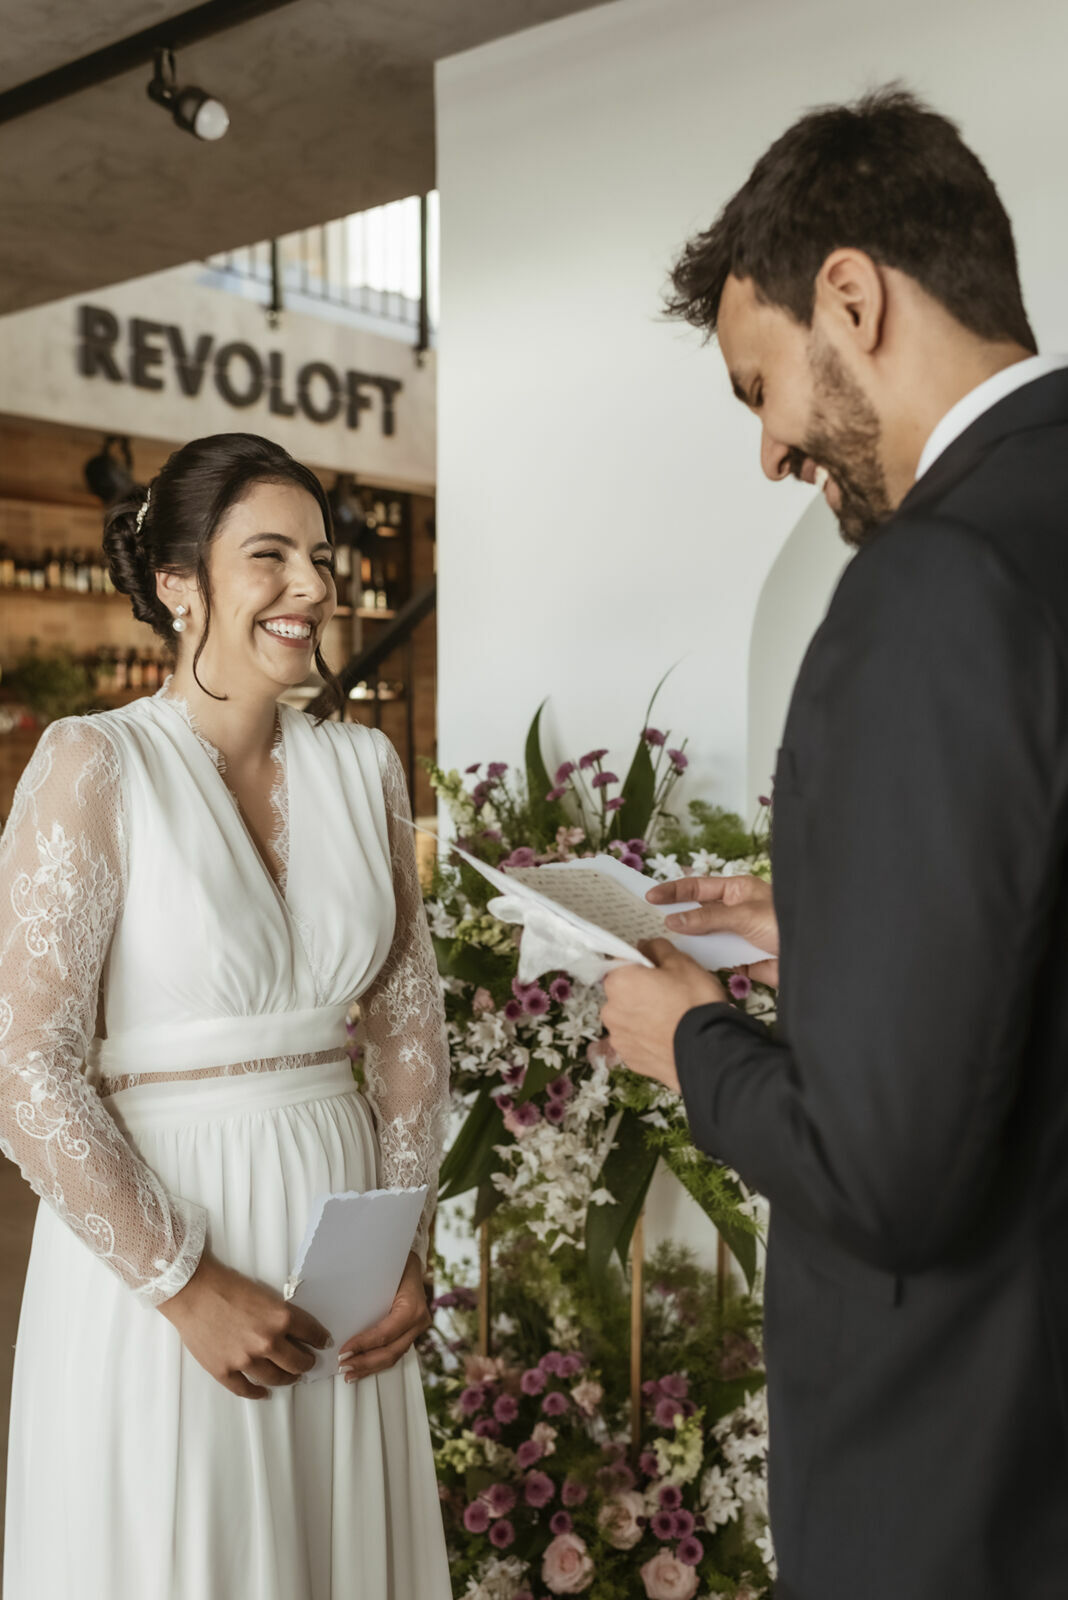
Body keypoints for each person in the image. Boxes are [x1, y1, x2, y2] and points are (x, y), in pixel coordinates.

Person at [600, 87, 1068, 1600]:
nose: (769, 450)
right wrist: (852, 935)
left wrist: (690, 1040)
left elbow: (889, 1185)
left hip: (967, 1471)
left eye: (759, 389)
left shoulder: (931, 588)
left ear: (851, 299)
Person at [0, 432, 452, 1599]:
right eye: (271, 556)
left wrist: (408, 1241)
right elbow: (24, 1065)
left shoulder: (365, 770)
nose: (315, 584)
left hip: (345, 1273)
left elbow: (408, 1035)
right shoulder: (91, 764)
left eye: (319, 553)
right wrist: (185, 1284)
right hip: (160, 1272)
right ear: (178, 583)